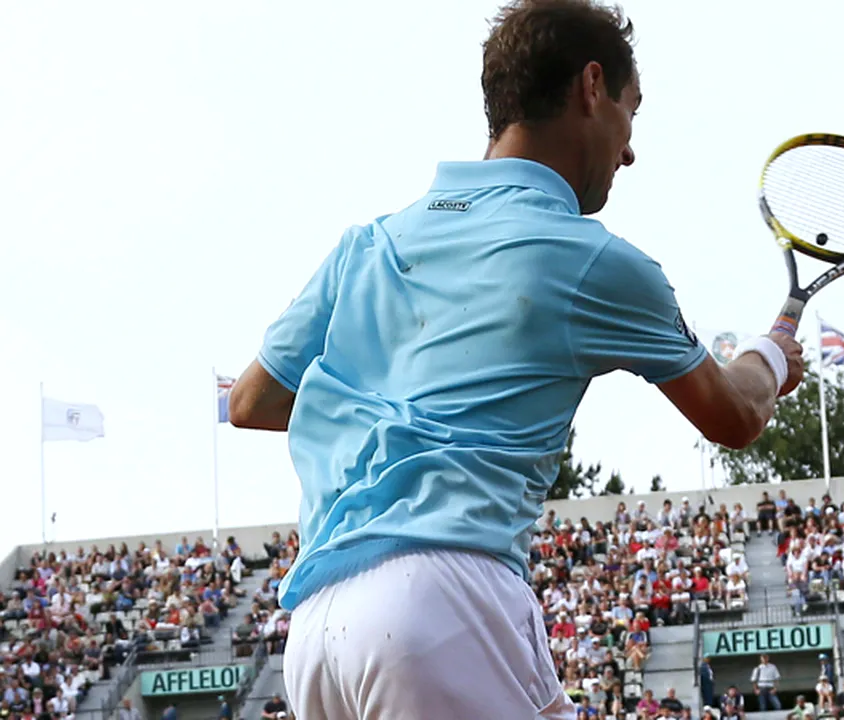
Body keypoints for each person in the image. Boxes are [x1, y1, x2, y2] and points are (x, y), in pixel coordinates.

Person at [227, 0, 805, 718]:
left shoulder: (369, 243)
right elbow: (736, 413)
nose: (629, 151)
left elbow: (251, 401)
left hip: (316, 632)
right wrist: (770, 356)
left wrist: (389, 398)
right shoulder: (595, 259)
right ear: (591, 86)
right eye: (631, 112)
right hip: (443, 600)